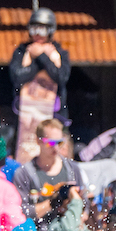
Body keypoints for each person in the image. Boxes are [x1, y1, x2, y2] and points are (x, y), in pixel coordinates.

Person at [9, 9, 68, 162]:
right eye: (34, 29)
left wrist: (42, 56)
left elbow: (61, 76)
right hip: (25, 118)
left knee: (54, 155)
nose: (38, 34)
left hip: (53, 114)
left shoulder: (60, 52)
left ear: (51, 31)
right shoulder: (21, 52)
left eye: (43, 29)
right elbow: (18, 77)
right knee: (24, 154)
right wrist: (36, 57)